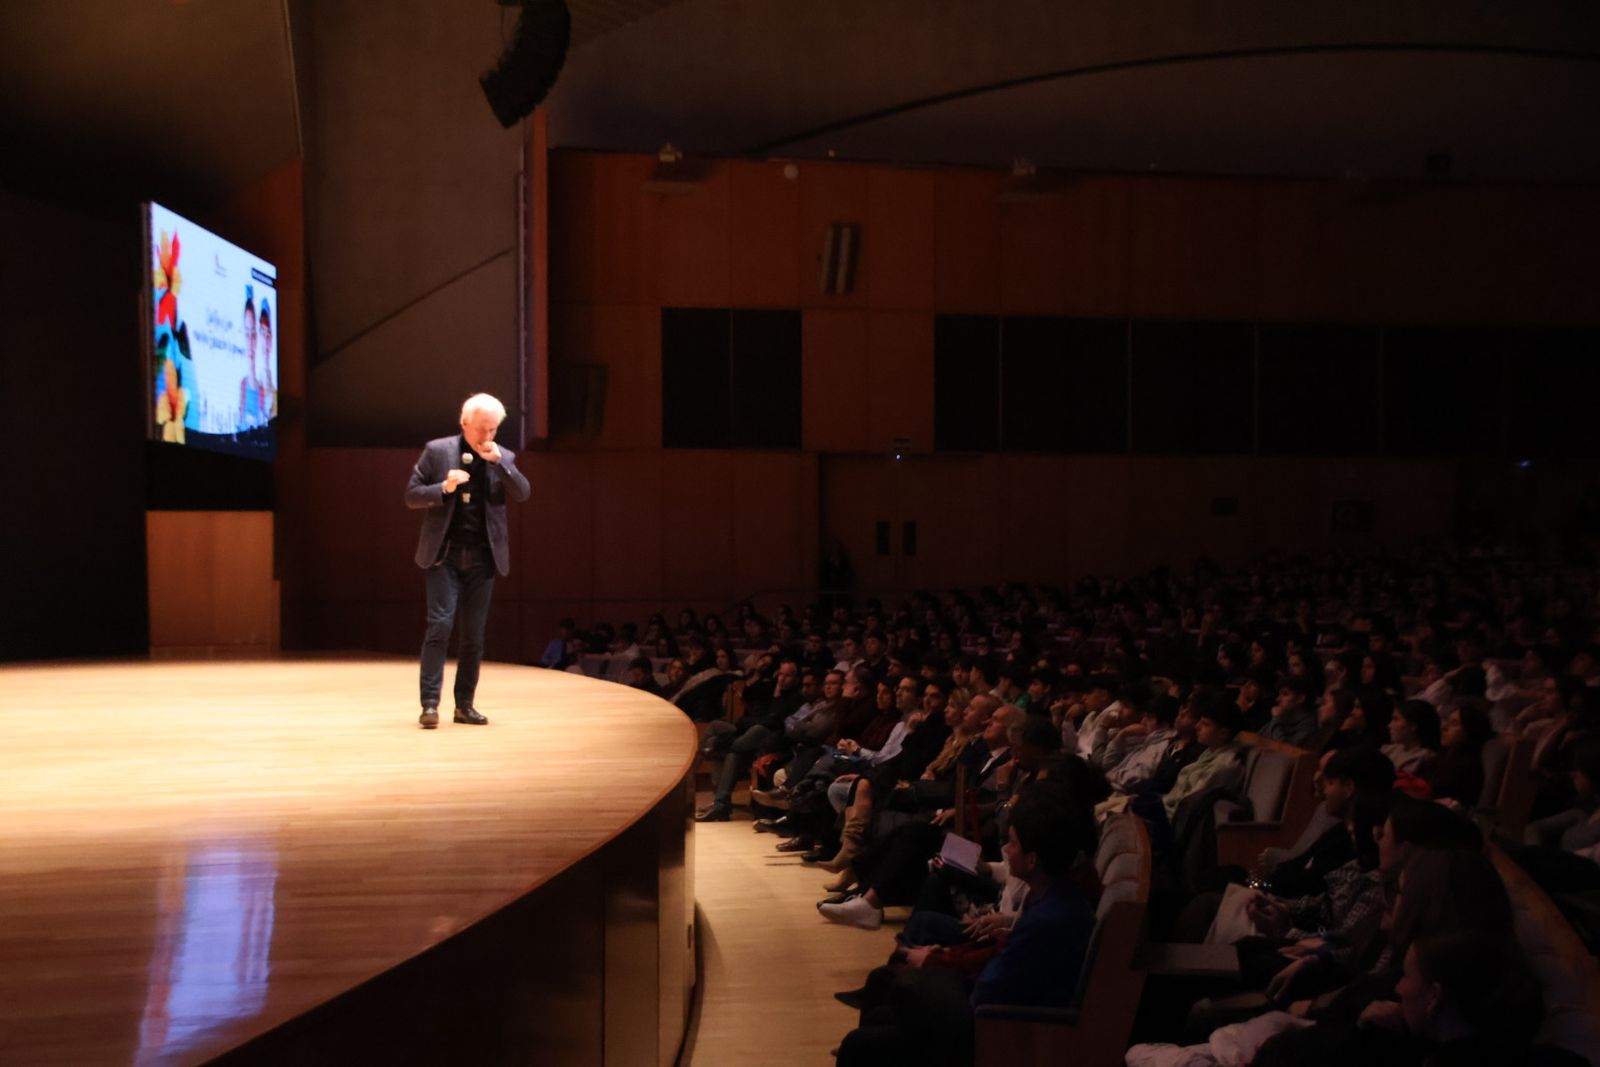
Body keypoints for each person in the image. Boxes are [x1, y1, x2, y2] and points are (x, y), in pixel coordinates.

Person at [404, 393, 531, 728]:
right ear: (464, 423)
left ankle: (464, 705)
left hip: (483, 557)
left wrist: (500, 463)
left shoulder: (503, 456)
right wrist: (443, 488)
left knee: (474, 636)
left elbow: (522, 492)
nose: (487, 436)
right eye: (481, 429)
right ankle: (430, 705)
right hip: (444, 555)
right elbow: (412, 495)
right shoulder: (437, 450)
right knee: (440, 626)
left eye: (493, 430)